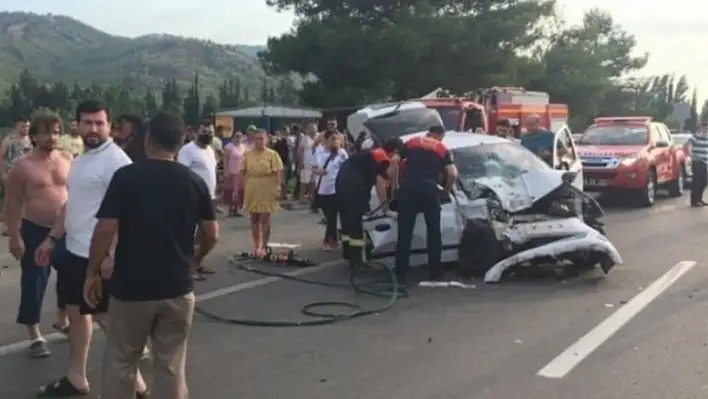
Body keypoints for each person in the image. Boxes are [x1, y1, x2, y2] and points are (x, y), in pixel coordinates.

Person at [83, 111, 217, 399]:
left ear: (147, 140)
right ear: (180, 145)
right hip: (177, 286)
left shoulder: (127, 177)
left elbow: (105, 229)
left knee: (122, 361)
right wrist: (194, 259)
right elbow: (211, 233)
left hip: (131, 287)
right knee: (170, 364)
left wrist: (92, 272)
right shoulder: (193, 182)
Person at [34, 100, 145, 397]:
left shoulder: (117, 162)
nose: (93, 128)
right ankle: (76, 377)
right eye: (88, 122)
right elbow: (72, 206)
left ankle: (139, 388)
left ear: (110, 126)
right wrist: (52, 239)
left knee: (109, 324)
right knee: (76, 314)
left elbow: (128, 213)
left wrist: (111, 255)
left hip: (97, 258)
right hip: (74, 252)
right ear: (77, 125)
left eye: (99, 123)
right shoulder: (81, 161)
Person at [4, 112, 72, 358]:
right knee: (34, 281)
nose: (52, 137)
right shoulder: (22, 166)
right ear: (34, 135)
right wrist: (14, 236)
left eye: (55, 132)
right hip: (33, 228)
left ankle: (63, 320)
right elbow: (11, 202)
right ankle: (34, 332)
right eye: (46, 132)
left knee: (70, 275)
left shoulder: (67, 158)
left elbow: (74, 193)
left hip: (65, 228)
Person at [392, 125, 458, 285]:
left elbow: (394, 161)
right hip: (429, 191)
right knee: (434, 232)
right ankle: (435, 271)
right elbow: (453, 173)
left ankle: (400, 274)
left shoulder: (412, 142)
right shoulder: (441, 148)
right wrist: (446, 191)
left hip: (408, 190)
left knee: (405, 233)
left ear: (428, 133)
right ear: (440, 136)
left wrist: (396, 185)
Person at [336, 138, 403, 265]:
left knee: (347, 218)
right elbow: (380, 184)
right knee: (358, 222)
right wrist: (386, 209)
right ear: (395, 151)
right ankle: (359, 262)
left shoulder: (372, 154)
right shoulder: (383, 159)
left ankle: (348, 254)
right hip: (355, 185)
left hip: (342, 180)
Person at [240, 129, 283, 257]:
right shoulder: (247, 154)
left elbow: (278, 171)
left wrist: (278, 187)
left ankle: (264, 246)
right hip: (252, 185)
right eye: (257, 138)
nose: (259, 141)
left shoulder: (272, 154)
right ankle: (256, 245)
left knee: (264, 217)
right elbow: (242, 170)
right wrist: (242, 185)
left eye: (262, 138)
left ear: (267, 140)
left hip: (267, 185)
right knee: (253, 217)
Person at [313, 131, 348, 250]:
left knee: (332, 215)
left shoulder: (342, 153)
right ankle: (334, 237)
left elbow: (347, 167)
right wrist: (319, 171)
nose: (336, 142)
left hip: (336, 188)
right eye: (333, 139)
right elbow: (313, 168)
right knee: (328, 216)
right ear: (326, 140)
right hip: (323, 189)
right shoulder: (319, 152)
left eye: (337, 139)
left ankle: (328, 241)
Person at [685, 121, 708, 207]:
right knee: (697, 182)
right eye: (705, 128)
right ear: (701, 128)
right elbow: (688, 144)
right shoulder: (696, 136)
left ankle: (699, 199)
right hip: (697, 161)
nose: (706, 130)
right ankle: (694, 201)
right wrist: (691, 154)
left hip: (705, 162)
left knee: (704, 182)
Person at [223, 131, 246, 216]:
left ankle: (237, 210)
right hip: (231, 172)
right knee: (231, 190)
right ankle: (230, 210)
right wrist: (226, 171)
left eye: (240, 136)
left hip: (240, 172)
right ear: (233, 137)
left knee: (239, 191)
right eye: (236, 136)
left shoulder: (243, 146)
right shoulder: (229, 146)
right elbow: (225, 160)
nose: (238, 138)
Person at [298, 122, 317, 203]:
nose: (312, 129)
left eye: (314, 128)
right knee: (304, 180)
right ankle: (301, 197)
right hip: (306, 161)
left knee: (314, 181)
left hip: (317, 162)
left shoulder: (319, 136)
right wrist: (301, 162)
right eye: (310, 128)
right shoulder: (305, 138)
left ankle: (311, 196)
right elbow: (300, 150)